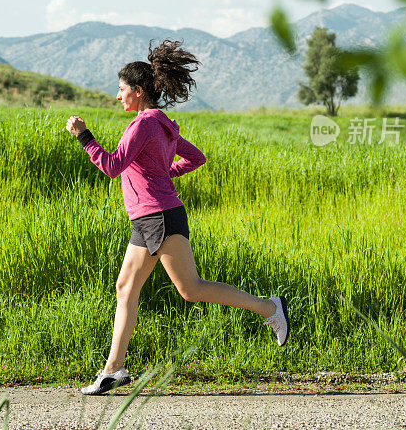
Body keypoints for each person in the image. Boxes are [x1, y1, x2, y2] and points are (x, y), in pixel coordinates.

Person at [65, 39, 290, 396]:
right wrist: (163, 176)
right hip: (150, 217)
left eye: (122, 89)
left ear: (138, 91)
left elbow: (111, 166)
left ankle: (268, 307)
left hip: (159, 216)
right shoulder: (163, 124)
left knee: (191, 289)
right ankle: (114, 369)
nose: (117, 95)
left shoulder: (143, 126)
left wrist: (83, 136)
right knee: (126, 288)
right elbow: (196, 157)